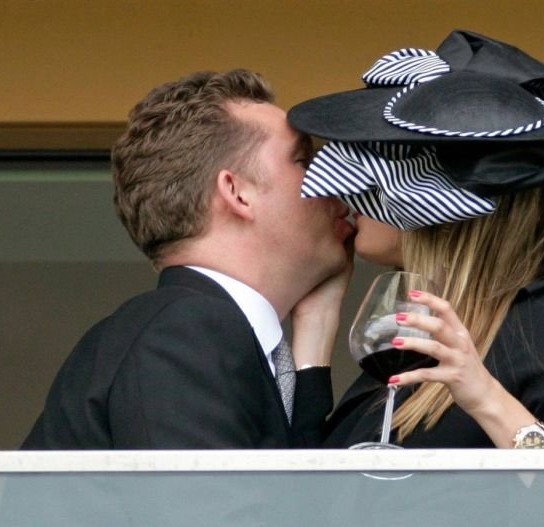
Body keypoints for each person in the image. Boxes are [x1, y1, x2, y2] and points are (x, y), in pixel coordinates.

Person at [287, 30, 544, 449]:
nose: (343, 192)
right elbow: (313, 494)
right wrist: (315, 332)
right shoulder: (424, 338)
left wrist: (487, 399)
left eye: (374, 166)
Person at [21, 69, 354, 449]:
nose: (335, 180)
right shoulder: (188, 329)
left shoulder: (192, 328)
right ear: (236, 192)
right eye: (304, 160)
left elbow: (288, 498)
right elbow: (205, 509)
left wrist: (316, 328)